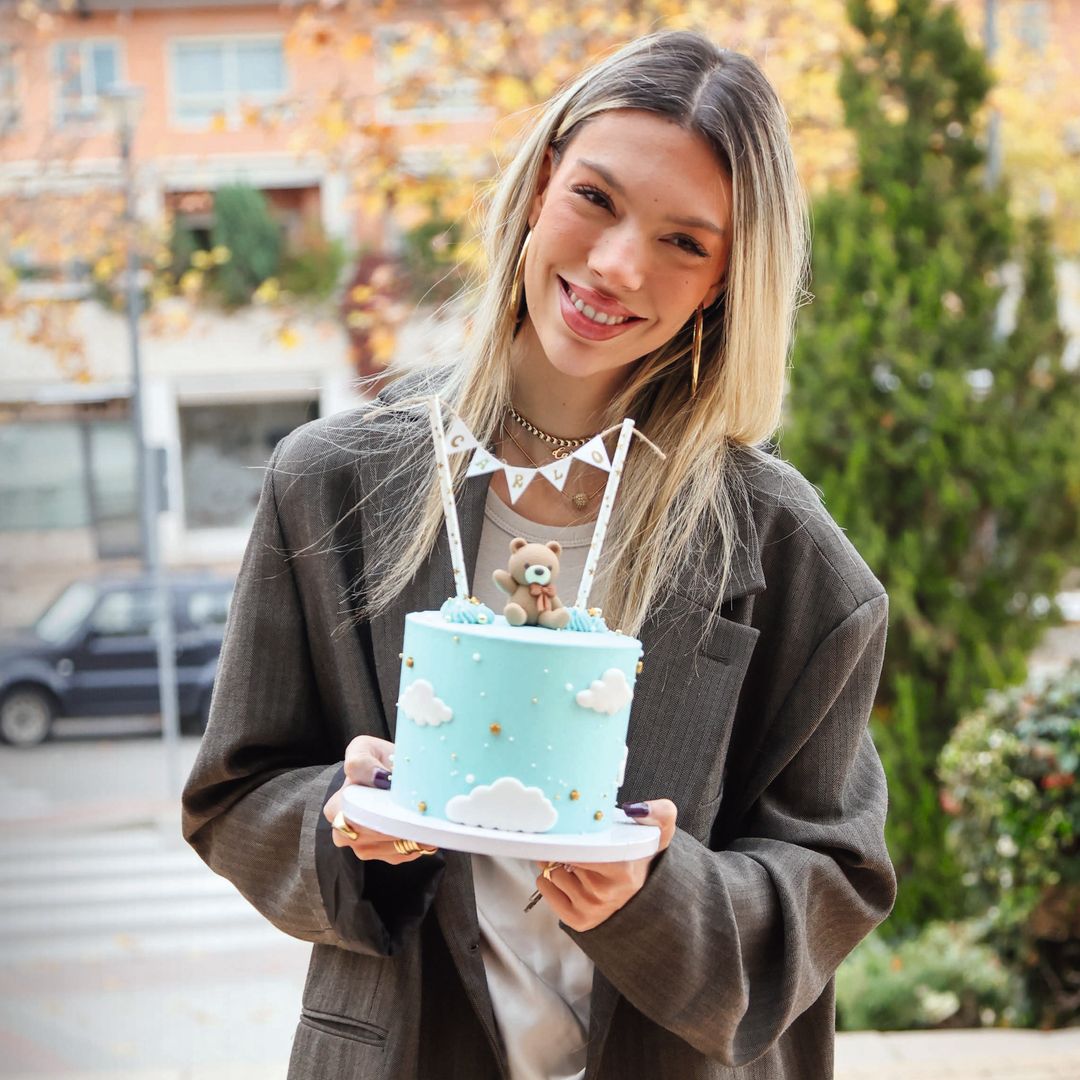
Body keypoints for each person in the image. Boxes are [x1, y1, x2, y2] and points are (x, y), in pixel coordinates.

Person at [182, 29, 895, 1080]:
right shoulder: (329, 485)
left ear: (726, 285)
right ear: (539, 184)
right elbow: (235, 790)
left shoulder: (789, 555)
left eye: (685, 243)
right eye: (596, 199)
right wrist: (343, 815)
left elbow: (835, 876)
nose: (616, 266)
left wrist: (657, 895)